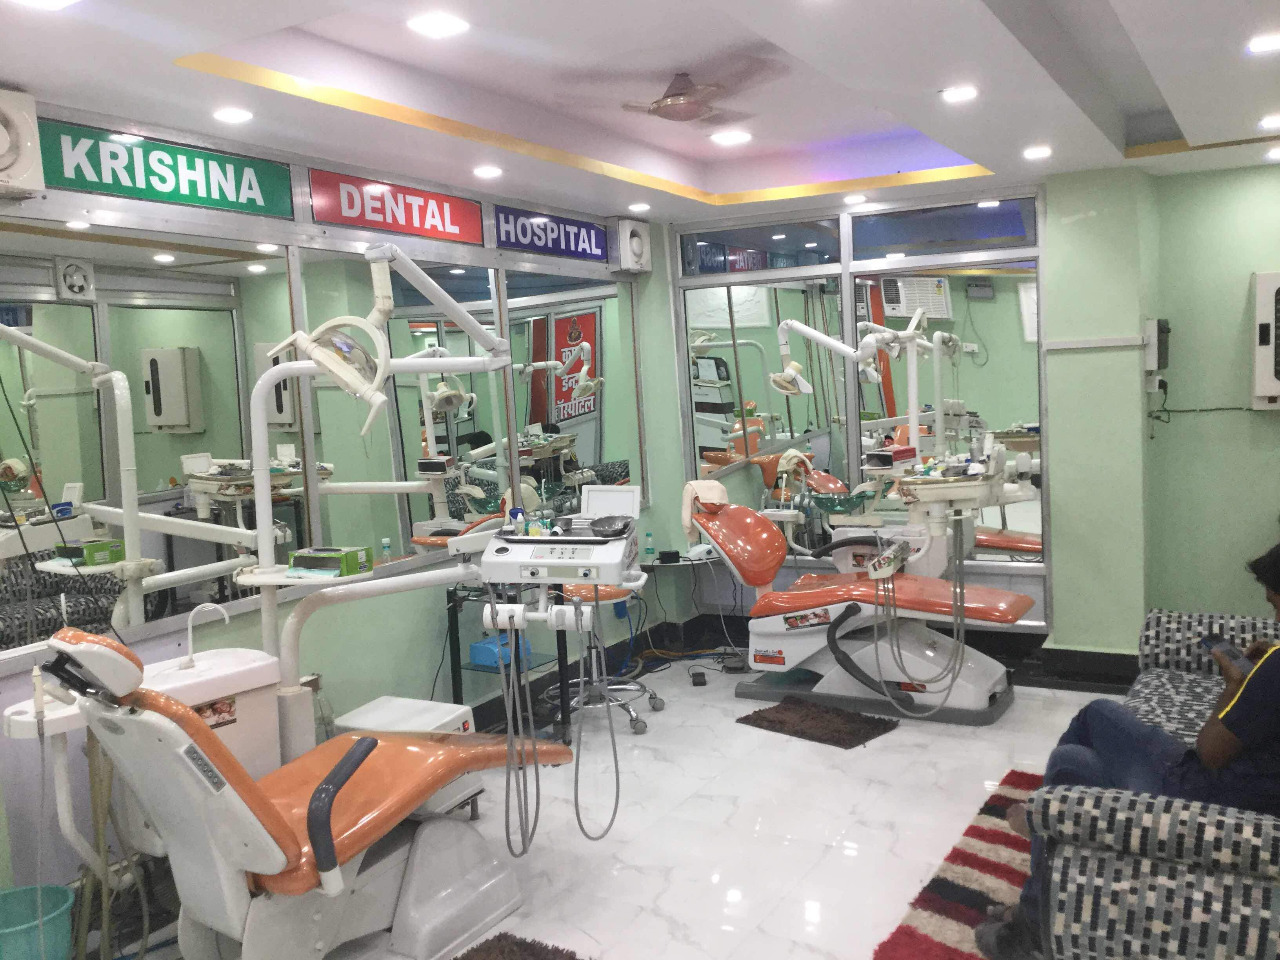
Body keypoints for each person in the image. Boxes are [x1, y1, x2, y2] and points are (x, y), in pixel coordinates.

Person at [975, 544, 1280, 960]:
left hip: (1203, 803)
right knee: (1072, 763)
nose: (1275, 621)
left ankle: (1033, 913)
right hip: (1241, 794)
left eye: (1276, 605)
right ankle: (1044, 858)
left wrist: (1236, 686)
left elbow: (1210, 751)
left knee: (1095, 716)